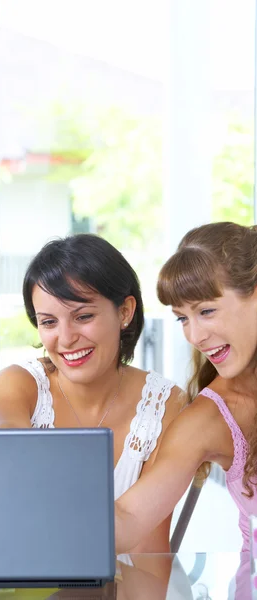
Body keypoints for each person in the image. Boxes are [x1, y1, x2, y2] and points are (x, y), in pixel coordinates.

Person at [0, 233, 183, 579]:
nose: (65, 338)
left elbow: (150, 557)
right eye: (48, 321)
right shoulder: (16, 386)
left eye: (82, 316)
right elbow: (10, 458)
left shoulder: (166, 406)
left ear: (125, 311)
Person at [115, 221, 257, 599]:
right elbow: (128, 519)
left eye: (206, 311)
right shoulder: (210, 417)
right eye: (182, 318)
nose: (195, 336)